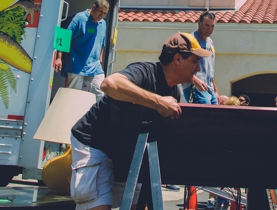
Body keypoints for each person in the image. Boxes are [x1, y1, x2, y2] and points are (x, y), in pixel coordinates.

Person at [69, 32, 211, 210]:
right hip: (95, 144)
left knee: (139, 203)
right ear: (177, 59)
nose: (198, 68)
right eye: (194, 61)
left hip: (126, 153)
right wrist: (158, 102)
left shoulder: (174, 92)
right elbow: (109, 84)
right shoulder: (143, 71)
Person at [54, 0, 110, 101]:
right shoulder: (79, 18)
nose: (102, 15)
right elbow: (65, 37)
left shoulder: (103, 23)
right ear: (94, 7)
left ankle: (96, 117)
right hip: (77, 64)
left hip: (95, 66)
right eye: (100, 12)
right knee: (73, 95)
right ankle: (71, 116)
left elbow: (102, 43)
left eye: (105, 13)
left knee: (101, 93)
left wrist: (100, 60)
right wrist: (59, 58)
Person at [182, 11, 219, 104]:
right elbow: (182, 66)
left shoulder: (210, 42)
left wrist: (216, 90)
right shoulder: (191, 40)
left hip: (210, 89)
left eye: (212, 26)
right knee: (204, 117)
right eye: (206, 25)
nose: (209, 29)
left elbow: (210, 69)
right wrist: (195, 80)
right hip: (196, 88)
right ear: (199, 23)